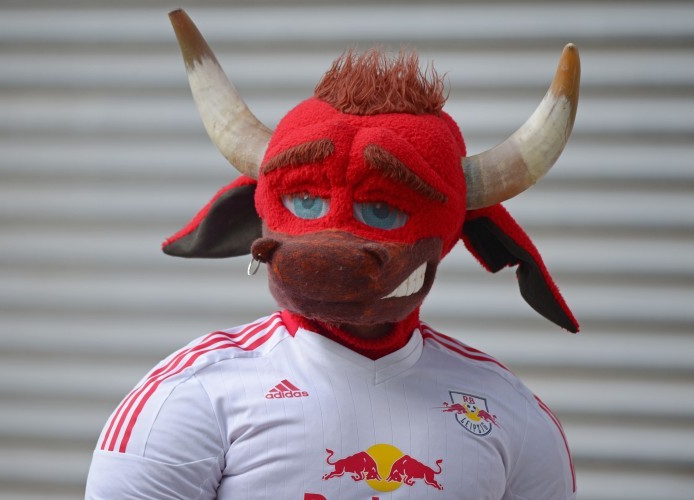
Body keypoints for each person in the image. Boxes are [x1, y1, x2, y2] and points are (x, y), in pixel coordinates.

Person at [86, 9, 580, 499]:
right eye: (305, 201)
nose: (329, 245)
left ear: (461, 232)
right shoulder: (191, 393)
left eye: (383, 209)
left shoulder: (506, 409)